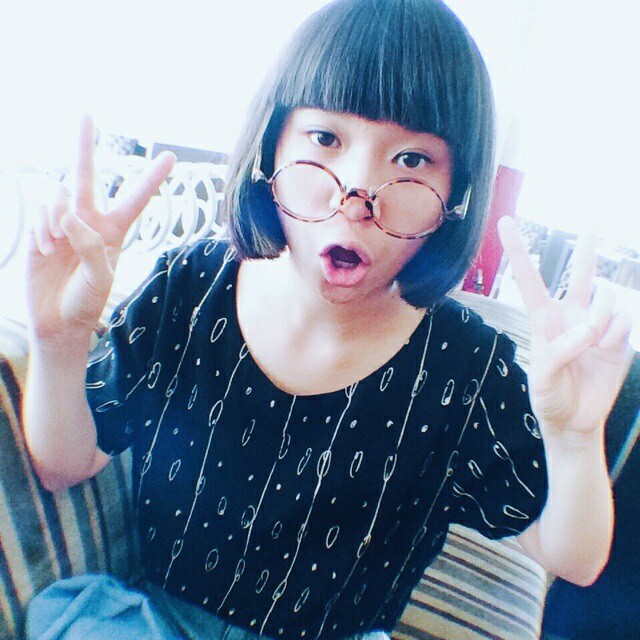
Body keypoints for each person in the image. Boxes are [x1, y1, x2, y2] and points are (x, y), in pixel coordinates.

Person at [22, 0, 633, 638]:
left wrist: (575, 437)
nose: (357, 195)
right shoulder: (190, 287)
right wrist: (58, 341)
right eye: (325, 139)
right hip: (153, 621)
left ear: (456, 194)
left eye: (412, 160)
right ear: (271, 145)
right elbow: (64, 464)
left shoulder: (467, 369)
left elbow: (573, 558)